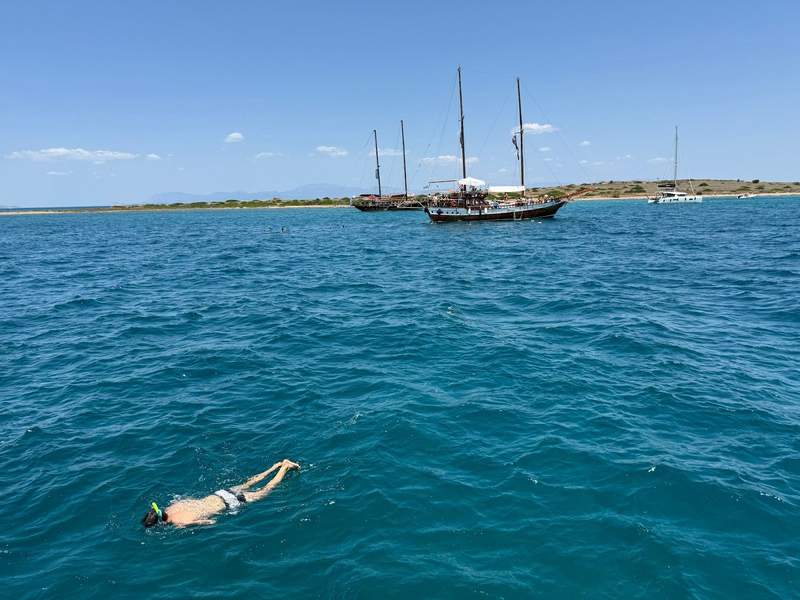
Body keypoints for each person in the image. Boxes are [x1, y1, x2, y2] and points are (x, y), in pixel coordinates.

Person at [142, 459, 300, 528]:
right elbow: (191, 500)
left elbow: (211, 523)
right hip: (219, 494)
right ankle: (274, 467)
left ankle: (284, 467)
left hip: (228, 503)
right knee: (249, 483)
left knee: (266, 491)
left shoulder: (180, 523)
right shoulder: (174, 505)